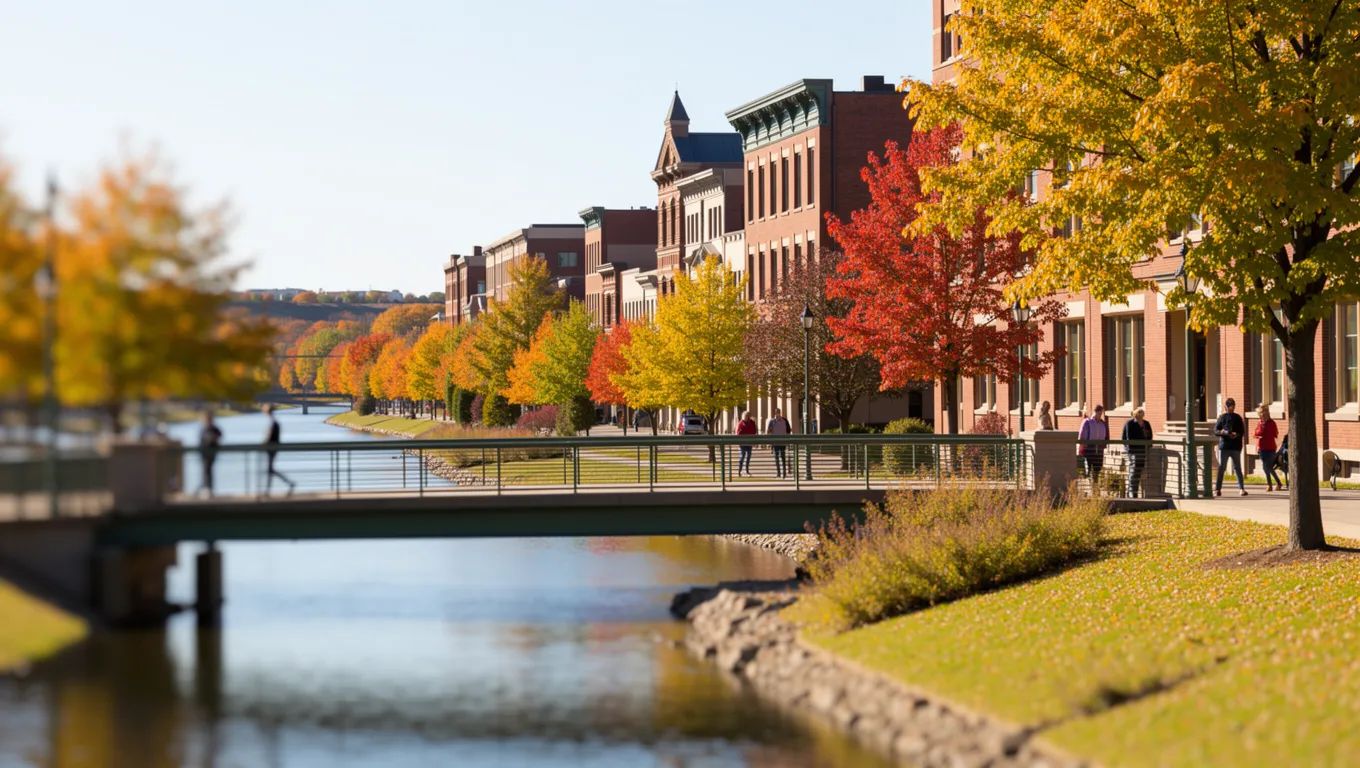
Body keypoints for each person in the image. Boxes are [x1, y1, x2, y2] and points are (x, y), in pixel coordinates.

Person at [1214, 397, 1248, 497]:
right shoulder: (1222, 417)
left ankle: (1241, 488)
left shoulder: (1238, 418)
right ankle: (1217, 489)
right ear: (1226, 407)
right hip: (1224, 446)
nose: (1230, 408)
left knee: (1237, 468)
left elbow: (1242, 432)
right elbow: (1215, 430)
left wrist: (1235, 435)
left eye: (1232, 406)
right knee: (1222, 468)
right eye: (1229, 406)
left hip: (1235, 447)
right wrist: (1223, 432)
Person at [262, 404, 296, 497]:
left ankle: (288, 484)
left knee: (270, 470)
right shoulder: (274, 422)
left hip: (272, 449)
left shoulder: (273, 423)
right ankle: (268, 491)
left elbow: (270, 437)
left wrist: (265, 444)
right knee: (270, 470)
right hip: (272, 448)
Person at [1121, 406, 1152, 498]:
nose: (1140, 416)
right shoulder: (1129, 423)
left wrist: (1148, 446)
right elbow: (1126, 438)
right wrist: (1129, 448)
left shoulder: (1146, 424)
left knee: (1138, 471)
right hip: (1133, 451)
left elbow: (1150, 436)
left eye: (1142, 414)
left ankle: (1133, 491)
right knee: (1134, 470)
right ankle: (1131, 492)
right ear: (1135, 414)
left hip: (1143, 451)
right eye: (1139, 414)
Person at [1255, 404, 1285, 492]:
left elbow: (1274, 434)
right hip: (1261, 448)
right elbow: (1256, 434)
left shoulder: (1271, 423)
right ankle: (1277, 483)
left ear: (1267, 413)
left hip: (1270, 448)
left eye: (1263, 414)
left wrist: (1262, 429)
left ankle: (1270, 485)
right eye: (1260, 414)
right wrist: (1257, 445)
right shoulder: (1259, 423)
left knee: (1267, 467)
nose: (1262, 416)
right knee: (1267, 467)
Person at [1078, 404, 1108, 489]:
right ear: (1095, 412)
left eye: (1101, 413)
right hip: (1089, 449)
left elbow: (1106, 436)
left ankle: (1095, 488)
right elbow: (1082, 435)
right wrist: (1082, 447)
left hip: (1099, 449)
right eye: (1099, 413)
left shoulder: (1103, 423)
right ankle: (1090, 488)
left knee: (1097, 469)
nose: (1100, 415)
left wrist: (1103, 446)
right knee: (1089, 469)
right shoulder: (1087, 422)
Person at [198, 411, 223, 498]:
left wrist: (214, 439)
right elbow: (202, 440)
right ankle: (206, 489)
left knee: (208, 471)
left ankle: (208, 490)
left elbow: (220, 435)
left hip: (211, 454)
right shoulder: (204, 429)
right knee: (206, 471)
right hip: (204, 454)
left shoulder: (214, 428)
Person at [766, 408, 793, 478]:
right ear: (774, 413)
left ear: (780, 413)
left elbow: (789, 430)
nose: (777, 414)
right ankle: (778, 473)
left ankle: (784, 473)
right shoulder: (772, 421)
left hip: (783, 442)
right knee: (776, 458)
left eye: (778, 412)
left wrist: (787, 438)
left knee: (783, 457)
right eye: (776, 412)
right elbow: (768, 431)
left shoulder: (784, 420)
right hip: (775, 442)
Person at [735, 411, 757, 477]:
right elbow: (737, 433)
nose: (747, 417)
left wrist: (754, 440)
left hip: (749, 442)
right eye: (746, 416)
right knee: (742, 456)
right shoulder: (740, 423)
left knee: (748, 457)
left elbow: (754, 431)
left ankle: (747, 470)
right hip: (742, 443)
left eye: (748, 416)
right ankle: (739, 471)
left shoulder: (752, 423)